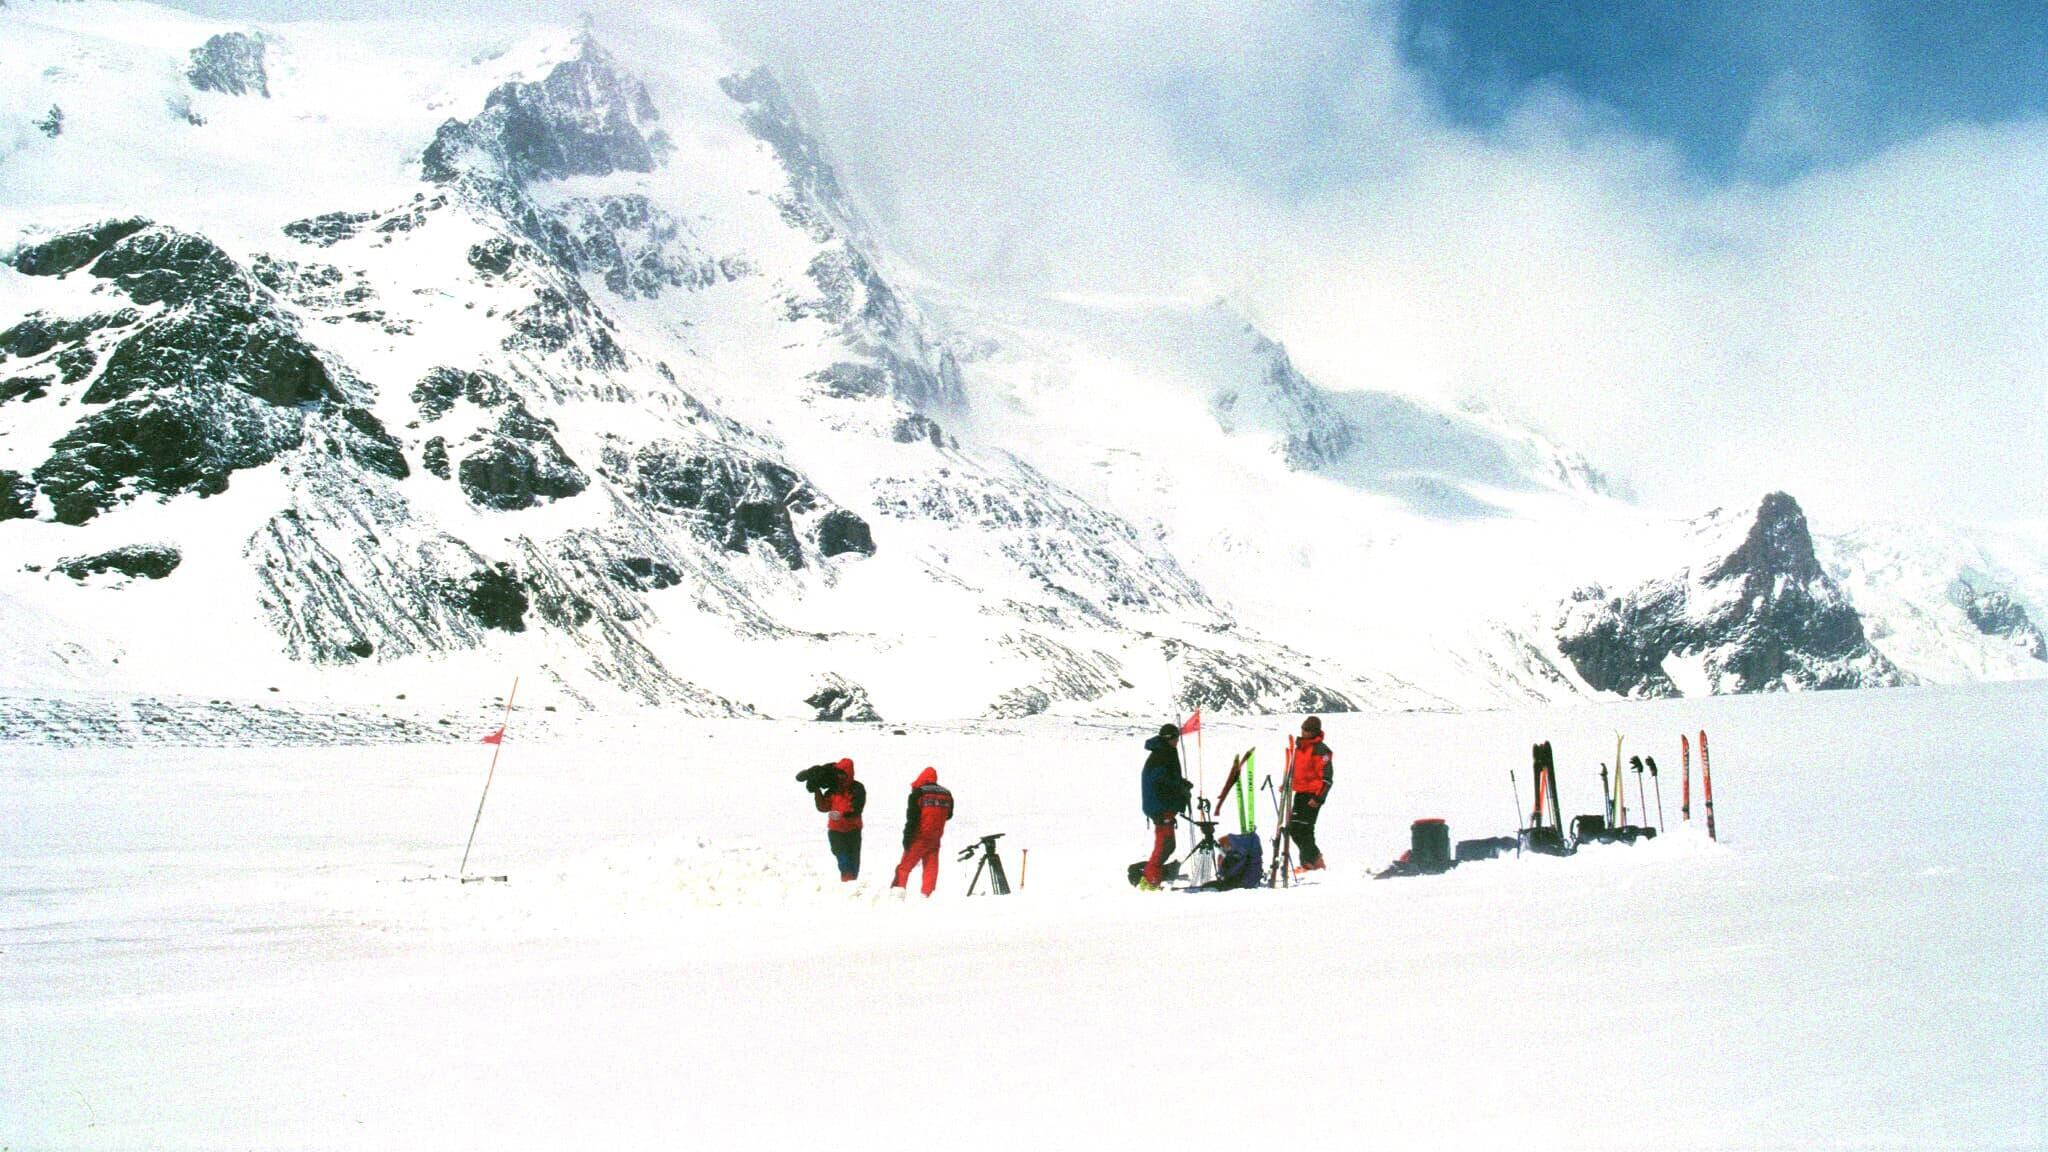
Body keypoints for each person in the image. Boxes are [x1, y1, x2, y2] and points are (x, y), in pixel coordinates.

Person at [1140, 723, 1192, 889]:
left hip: (1161, 805)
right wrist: (1179, 786)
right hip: (1160, 806)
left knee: (1168, 844)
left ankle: (1155, 874)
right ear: (1169, 738)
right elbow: (1161, 780)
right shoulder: (1163, 754)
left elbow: (1166, 778)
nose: (1177, 741)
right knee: (1165, 844)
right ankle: (1151, 879)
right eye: (1176, 738)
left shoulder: (1163, 751)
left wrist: (1181, 783)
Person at [890, 767, 954, 897]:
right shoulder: (947, 794)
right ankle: (927, 895)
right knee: (931, 865)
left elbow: (912, 818)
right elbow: (949, 815)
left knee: (904, 866)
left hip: (920, 835)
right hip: (936, 836)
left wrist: (907, 838)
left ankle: (897, 893)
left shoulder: (918, 793)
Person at [801, 758, 865, 881]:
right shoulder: (834, 790)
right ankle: (847, 881)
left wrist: (841, 814)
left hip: (853, 831)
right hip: (836, 831)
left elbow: (857, 808)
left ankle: (852, 885)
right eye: (838, 774)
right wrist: (817, 791)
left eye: (843, 773)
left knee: (854, 863)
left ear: (849, 773)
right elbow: (823, 807)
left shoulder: (857, 788)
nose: (840, 776)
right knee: (842, 859)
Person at [1286, 715, 1334, 872]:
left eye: (1307, 729)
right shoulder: (1300, 747)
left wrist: (1318, 798)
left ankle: (1310, 862)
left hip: (1312, 795)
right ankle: (1313, 861)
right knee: (1294, 829)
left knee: (1304, 830)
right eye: (1303, 728)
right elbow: (1296, 771)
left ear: (1315, 732)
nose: (1304, 732)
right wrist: (1287, 784)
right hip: (1300, 793)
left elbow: (1327, 778)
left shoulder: (1321, 750)